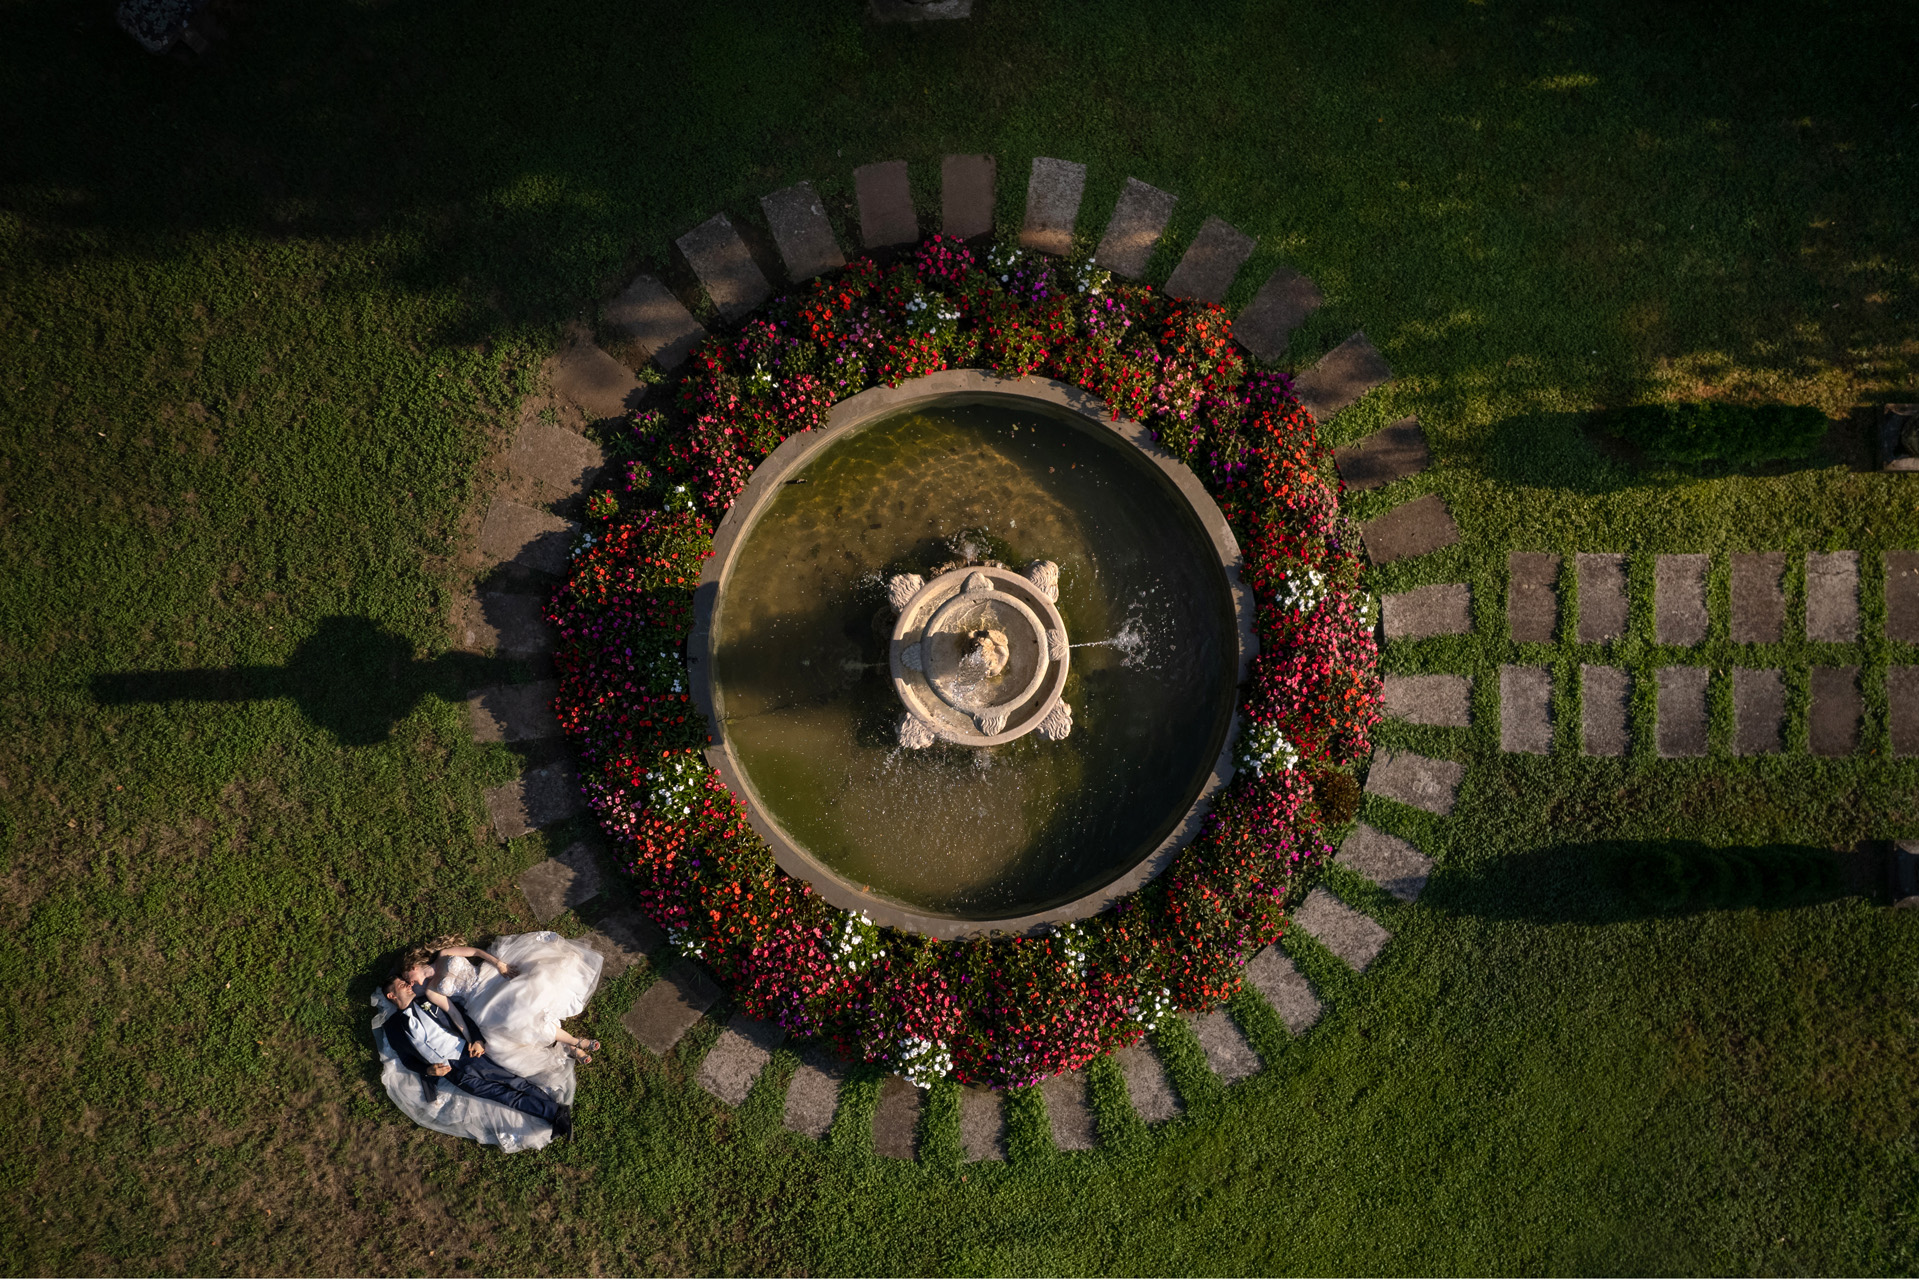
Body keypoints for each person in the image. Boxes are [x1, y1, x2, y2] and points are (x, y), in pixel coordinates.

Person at [381, 974, 572, 1140]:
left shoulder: (428, 1001)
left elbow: (462, 1016)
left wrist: (477, 1039)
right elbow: (407, 1059)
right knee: (504, 1096)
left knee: (514, 1083)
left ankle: (555, 1113)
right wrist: (428, 1070)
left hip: (468, 1054)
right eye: (401, 984)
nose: (408, 985)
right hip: (451, 1073)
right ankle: (554, 1113)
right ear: (391, 995)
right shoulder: (392, 1028)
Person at [400, 935, 602, 1063]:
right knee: (516, 1020)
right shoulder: (431, 992)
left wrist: (499, 964)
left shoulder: (443, 954)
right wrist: (472, 1038)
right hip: (479, 1000)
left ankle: (570, 1045)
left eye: (407, 979)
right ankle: (574, 1043)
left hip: (488, 976)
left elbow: (475, 952)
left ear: (413, 966)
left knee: (535, 990)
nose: (410, 985)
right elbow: (454, 1014)